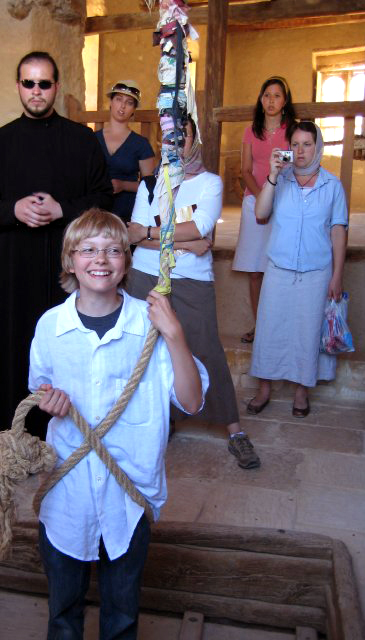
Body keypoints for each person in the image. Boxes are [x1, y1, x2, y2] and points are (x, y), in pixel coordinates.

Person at [29, 208, 208, 639]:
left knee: (123, 612)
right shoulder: (50, 326)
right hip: (68, 491)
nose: (100, 259)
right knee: (63, 609)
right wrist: (49, 403)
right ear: (70, 261)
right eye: (88, 250)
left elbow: (191, 400)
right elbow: (40, 387)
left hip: (129, 493)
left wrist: (175, 334)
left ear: (126, 262)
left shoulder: (150, 325)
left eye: (112, 250)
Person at [0, 51, 113, 454]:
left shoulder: (82, 139)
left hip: (66, 269)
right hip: (12, 268)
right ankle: (9, 438)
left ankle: (67, 442)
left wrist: (63, 209)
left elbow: (103, 197)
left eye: (44, 83)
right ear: (18, 86)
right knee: (12, 348)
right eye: (28, 83)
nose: (36, 91)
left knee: (65, 349)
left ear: (56, 87)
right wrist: (13, 210)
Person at [127, 116, 261, 470]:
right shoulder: (150, 182)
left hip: (191, 279)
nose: (175, 143)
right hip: (145, 275)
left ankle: (234, 430)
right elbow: (134, 235)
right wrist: (187, 242)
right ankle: (163, 419)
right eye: (169, 136)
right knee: (145, 349)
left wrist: (152, 233)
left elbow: (199, 226)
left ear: (194, 140)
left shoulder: (210, 183)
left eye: (182, 136)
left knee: (205, 348)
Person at [248, 121, 348, 417]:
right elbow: (260, 213)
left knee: (308, 331)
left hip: (317, 271)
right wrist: (272, 175)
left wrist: (337, 275)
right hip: (279, 268)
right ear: (288, 147)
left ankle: (302, 391)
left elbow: (338, 231)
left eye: (307, 144)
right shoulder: (281, 180)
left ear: (318, 147)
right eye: (295, 144)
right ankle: (264, 388)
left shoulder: (332, 185)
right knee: (269, 329)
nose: (301, 151)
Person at [232, 76, 296, 344]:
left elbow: (297, 166)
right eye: (267, 95)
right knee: (256, 270)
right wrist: (262, 198)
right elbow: (246, 170)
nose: (271, 100)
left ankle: (280, 327)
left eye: (277, 96)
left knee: (280, 267)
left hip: (287, 203)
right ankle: (260, 326)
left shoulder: (293, 131)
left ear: (285, 101)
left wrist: (274, 200)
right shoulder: (251, 131)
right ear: (260, 100)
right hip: (255, 201)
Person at [95, 80, 156, 223]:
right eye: (118, 99)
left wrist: (123, 185)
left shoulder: (141, 144)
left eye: (129, 103)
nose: (122, 106)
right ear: (110, 102)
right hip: (96, 211)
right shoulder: (92, 139)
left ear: (134, 109)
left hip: (127, 212)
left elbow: (150, 186)